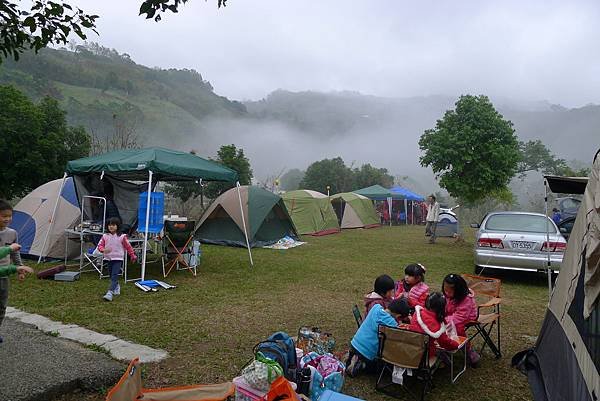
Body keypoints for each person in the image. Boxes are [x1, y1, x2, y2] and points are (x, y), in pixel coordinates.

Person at [346, 299, 409, 377]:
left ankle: (353, 358)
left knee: (357, 353)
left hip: (355, 343)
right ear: (398, 316)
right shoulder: (392, 323)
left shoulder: (376, 307)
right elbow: (395, 340)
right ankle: (362, 365)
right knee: (382, 368)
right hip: (367, 353)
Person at [0, 200, 34, 343]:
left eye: (10, 216)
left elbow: (15, 252)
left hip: (4, 276)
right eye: (3, 216)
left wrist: (20, 269)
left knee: (2, 306)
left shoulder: (12, 233)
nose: (7, 219)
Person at [409, 292, 459, 365]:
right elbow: (444, 342)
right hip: (425, 353)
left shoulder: (417, 313)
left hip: (410, 347)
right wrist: (456, 345)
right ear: (442, 308)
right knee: (441, 353)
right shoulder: (435, 324)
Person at [442, 273, 479, 365]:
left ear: (459, 291)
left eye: (449, 292)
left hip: (467, 316)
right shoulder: (447, 295)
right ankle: (443, 347)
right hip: (451, 314)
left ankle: (468, 350)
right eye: (445, 290)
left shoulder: (466, 299)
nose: (446, 293)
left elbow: (460, 317)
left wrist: (444, 320)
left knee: (457, 327)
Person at [97, 217, 137, 301]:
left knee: (114, 275)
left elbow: (128, 247)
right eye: (109, 225)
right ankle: (116, 286)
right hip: (108, 259)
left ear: (118, 226)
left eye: (113, 225)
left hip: (118, 259)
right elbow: (100, 246)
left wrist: (133, 255)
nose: (111, 227)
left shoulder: (122, 237)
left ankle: (109, 293)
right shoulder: (105, 236)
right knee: (111, 276)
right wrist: (103, 250)